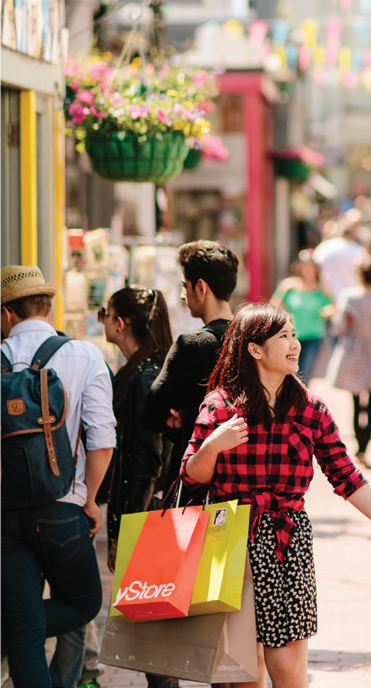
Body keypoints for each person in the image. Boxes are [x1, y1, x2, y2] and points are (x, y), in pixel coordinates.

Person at [180, 302, 371, 688]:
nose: (295, 344)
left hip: (285, 540)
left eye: (294, 335)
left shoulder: (311, 409)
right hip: (228, 541)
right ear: (254, 349)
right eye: (283, 337)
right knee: (240, 671)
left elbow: (345, 476)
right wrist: (212, 446)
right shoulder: (220, 406)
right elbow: (192, 477)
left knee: (290, 672)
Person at [0, 266, 116, 688]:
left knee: (24, 625)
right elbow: (103, 438)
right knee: (84, 602)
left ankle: (17, 630)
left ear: (6, 315)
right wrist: (90, 499)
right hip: (62, 509)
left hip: (5, 514)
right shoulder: (84, 355)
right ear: (47, 308)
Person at [100, 284, 177, 688]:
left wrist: (126, 532)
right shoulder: (147, 370)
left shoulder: (145, 376)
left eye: (105, 313)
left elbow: (146, 463)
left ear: (120, 323)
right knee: (153, 633)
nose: (103, 321)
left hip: (149, 519)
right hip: (153, 513)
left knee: (153, 636)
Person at [141, 240, 238, 486]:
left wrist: (184, 422)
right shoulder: (256, 341)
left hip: (197, 476)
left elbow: (151, 415)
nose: (183, 295)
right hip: (247, 478)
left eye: (185, 286)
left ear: (201, 287)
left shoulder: (192, 345)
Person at [328, 254, 371, 466]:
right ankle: (364, 448)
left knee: (356, 403)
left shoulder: (349, 297)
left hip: (356, 349)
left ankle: (359, 448)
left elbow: (340, 326)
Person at [271, 250, 333, 384]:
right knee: (289, 372)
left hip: (314, 335)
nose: (308, 270)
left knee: (305, 373)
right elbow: (274, 305)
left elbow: (333, 306)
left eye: (311, 266)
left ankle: (301, 400)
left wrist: (327, 312)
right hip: (291, 336)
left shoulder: (321, 288)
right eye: (305, 266)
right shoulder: (289, 286)